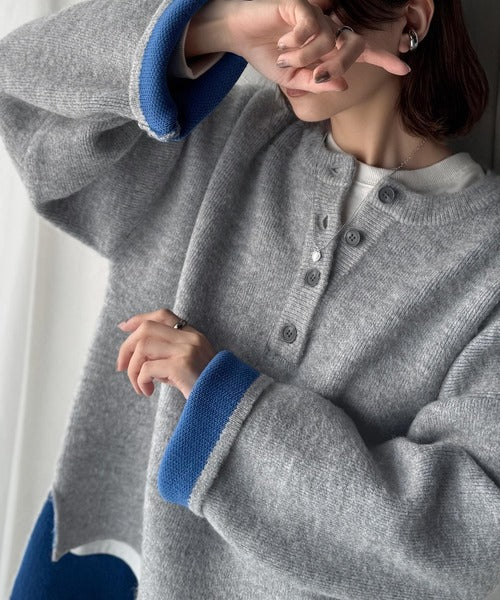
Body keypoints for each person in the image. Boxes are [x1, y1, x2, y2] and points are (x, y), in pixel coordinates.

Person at [2, 0, 500, 597]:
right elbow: (20, 90)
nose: (291, 40)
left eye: (318, 11)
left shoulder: (486, 253)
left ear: (410, 20)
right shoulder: (216, 136)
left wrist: (227, 406)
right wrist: (221, 28)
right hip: (118, 565)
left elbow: (475, 538)